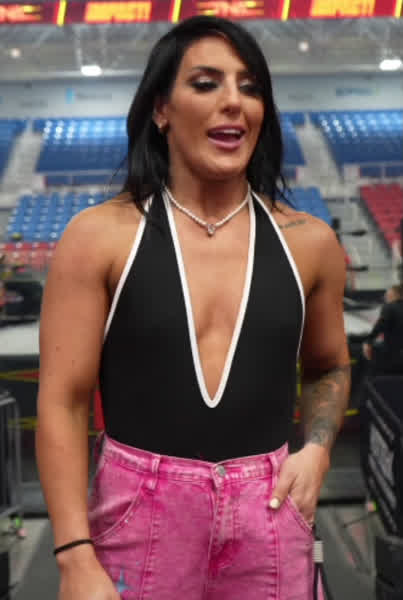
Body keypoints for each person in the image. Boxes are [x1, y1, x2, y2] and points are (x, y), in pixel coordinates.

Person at [36, 16, 350, 600]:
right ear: (161, 109)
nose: (234, 101)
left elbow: (329, 365)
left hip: (270, 509)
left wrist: (318, 450)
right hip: (139, 513)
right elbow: (63, 401)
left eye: (250, 87)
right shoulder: (99, 237)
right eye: (206, 83)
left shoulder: (310, 243)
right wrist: (74, 553)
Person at [363, 283, 403, 375]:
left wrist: (368, 341)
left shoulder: (389, 307)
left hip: (394, 354)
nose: (385, 297)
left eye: (387, 295)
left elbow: (380, 326)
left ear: (395, 295)